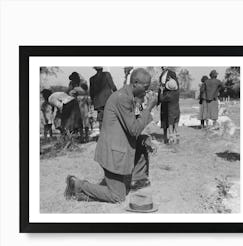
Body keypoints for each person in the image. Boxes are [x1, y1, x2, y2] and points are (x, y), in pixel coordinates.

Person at [64, 68, 158, 203]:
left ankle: (135, 179)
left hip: (116, 148)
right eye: (145, 87)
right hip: (112, 154)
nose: (147, 91)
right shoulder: (123, 98)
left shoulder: (127, 96)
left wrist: (144, 135)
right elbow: (134, 130)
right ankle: (77, 184)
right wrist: (149, 107)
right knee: (118, 197)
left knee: (143, 141)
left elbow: (133, 126)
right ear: (135, 83)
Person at [158, 67, 180, 144]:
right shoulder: (161, 75)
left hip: (166, 98)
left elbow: (176, 85)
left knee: (170, 122)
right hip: (173, 106)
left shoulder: (172, 73)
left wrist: (161, 93)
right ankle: (169, 137)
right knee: (165, 119)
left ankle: (170, 137)